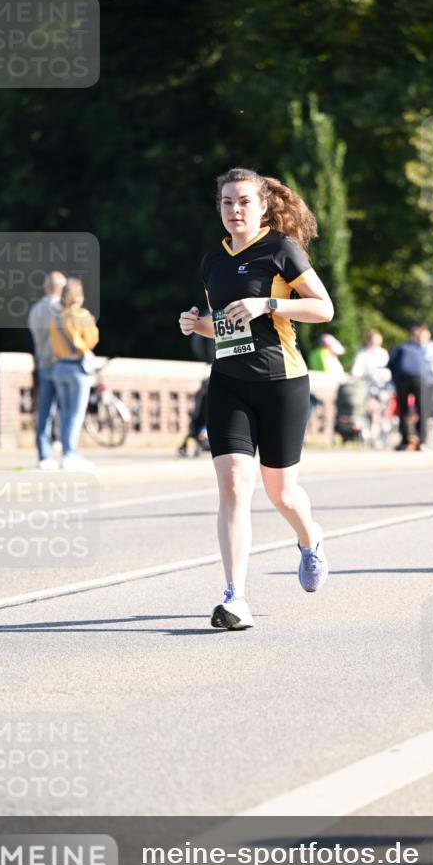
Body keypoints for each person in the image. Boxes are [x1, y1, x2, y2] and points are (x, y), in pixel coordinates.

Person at [178, 167, 334, 630]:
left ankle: (309, 539)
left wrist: (268, 304)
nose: (235, 210)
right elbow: (225, 326)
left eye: (244, 201)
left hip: (281, 381)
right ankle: (235, 597)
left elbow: (323, 308)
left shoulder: (281, 249)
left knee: (281, 493)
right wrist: (197, 324)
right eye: (227, 202)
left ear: (262, 206)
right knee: (232, 485)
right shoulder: (213, 260)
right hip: (229, 382)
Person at [49, 277, 100, 471]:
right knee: (76, 414)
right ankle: (70, 454)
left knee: (64, 412)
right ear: (78, 295)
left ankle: (66, 452)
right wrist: (92, 326)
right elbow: (91, 341)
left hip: (59, 367)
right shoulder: (82, 316)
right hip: (77, 369)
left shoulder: (56, 317)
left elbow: (53, 344)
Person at [28, 270, 66, 469]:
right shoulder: (61, 309)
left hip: (42, 364)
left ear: (46, 288)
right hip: (60, 364)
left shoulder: (35, 310)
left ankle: (43, 455)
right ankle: (67, 451)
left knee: (44, 411)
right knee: (67, 410)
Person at [388, 325, 426, 450]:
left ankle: (405, 440)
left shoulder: (400, 347)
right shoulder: (421, 349)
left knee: (404, 410)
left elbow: (390, 363)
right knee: (421, 409)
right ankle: (422, 440)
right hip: (418, 378)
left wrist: (394, 379)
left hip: (402, 378)